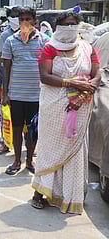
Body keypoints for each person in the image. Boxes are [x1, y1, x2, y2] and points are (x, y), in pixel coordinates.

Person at [32, 12, 101, 213]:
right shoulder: (49, 48)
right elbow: (45, 76)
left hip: (81, 105)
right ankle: (40, 192)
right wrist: (71, 83)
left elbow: (97, 73)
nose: (70, 28)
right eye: (66, 24)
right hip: (55, 107)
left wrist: (88, 88)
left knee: (76, 150)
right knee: (50, 148)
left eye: (74, 24)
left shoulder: (88, 48)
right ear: (58, 27)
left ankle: (71, 196)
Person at [1, 7, 48, 176]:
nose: (25, 22)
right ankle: (16, 160)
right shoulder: (11, 41)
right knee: (17, 129)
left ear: (35, 20)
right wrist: (5, 94)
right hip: (17, 95)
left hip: (37, 95)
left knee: (32, 130)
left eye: (28, 19)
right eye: (22, 19)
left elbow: (50, 65)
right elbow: (6, 68)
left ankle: (29, 160)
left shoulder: (44, 40)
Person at [0, 7, 20, 155]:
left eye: (20, 16)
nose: (18, 19)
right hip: (9, 79)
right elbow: (0, 57)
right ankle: (5, 143)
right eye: (15, 16)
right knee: (7, 113)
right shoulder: (6, 35)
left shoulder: (31, 35)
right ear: (10, 18)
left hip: (26, 83)